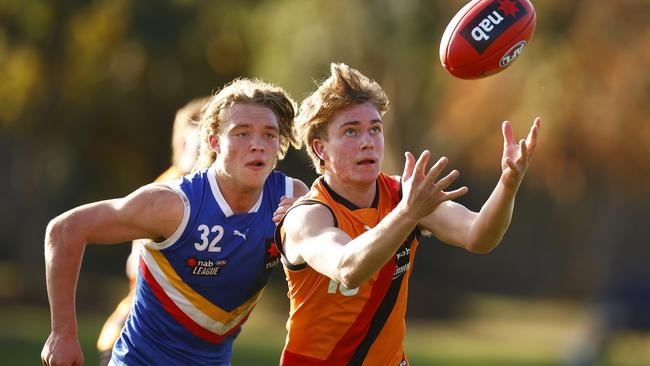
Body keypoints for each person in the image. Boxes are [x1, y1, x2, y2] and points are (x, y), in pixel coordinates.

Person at [275, 63, 541, 365]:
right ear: (321, 149)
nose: (368, 141)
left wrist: (507, 184)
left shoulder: (405, 197)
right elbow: (348, 270)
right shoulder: (307, 216)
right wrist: (408, 213)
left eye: (375, 129)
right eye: (351, 131)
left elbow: (479, 236)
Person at [41, 78, 308, 366]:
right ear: (214, 142)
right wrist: (62, 333)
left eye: (269, 134)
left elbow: (332, 265)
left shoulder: (291, 196)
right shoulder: (174, 204)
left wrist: (304, 229)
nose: (257, 145)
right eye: (242, 133)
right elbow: (65, 229)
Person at [95, 96, 208, 366]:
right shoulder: (172, 193)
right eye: (206, 142)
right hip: (137, 337)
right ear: (183, 145)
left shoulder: (204, 194)